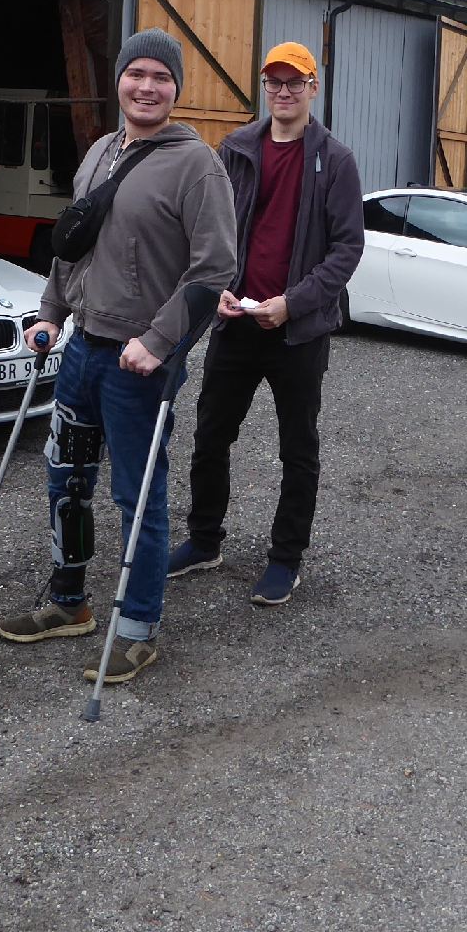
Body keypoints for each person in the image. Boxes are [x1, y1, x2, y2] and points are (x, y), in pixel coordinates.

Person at [0, 30, 237, 684]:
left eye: (161, 77)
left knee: (138, 497)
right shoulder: (101, 151)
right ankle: (68, 601)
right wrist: (50, 312)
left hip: (140, 366)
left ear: (176, 89)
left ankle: (137, 629)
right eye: (137, 74)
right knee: (66, 481)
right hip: (82, 351)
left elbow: (213, 271)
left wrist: (157, 342)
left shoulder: (197, 166)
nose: (147, 87)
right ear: (120, 80)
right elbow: (72, 243)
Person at [168, 42, 365, 606]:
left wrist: (293, 303)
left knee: (297, 449)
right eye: (274, 82)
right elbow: (211, 229)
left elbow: (347, 248)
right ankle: (204, 540)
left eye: (294, 82)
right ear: (265, 88)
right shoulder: (236, 149)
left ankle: (285, 559)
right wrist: (218, 289)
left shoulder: (336, 161)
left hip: (297, 333)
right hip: (235, 322)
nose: (284, 91)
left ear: (313, 88)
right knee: (211, 436)